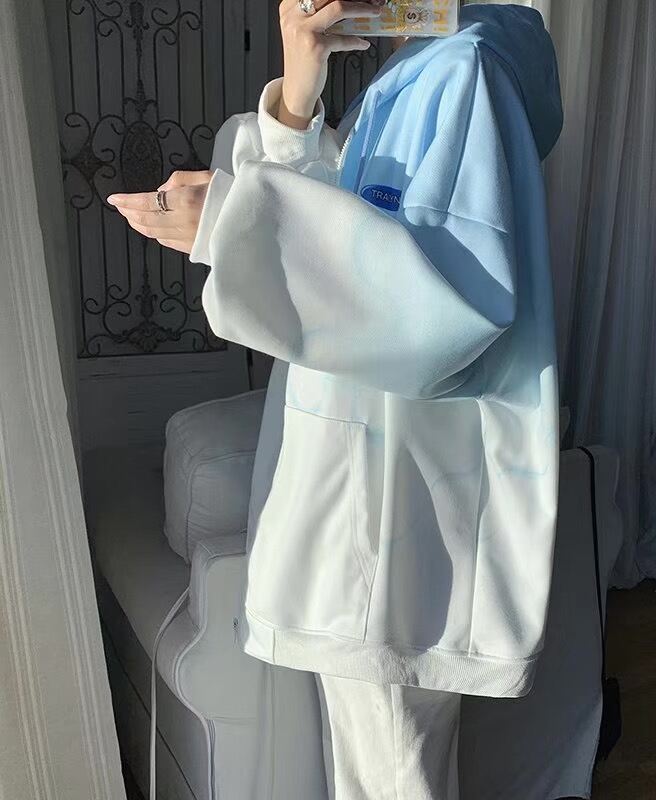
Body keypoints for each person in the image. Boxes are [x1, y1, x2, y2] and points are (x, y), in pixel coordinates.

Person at [109, 1, 563, 796]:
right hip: (369, 501)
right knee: (383, 764)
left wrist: (233, 221)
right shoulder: (417, 69)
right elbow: (358, 230)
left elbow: (446, 309)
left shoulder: (463, 73)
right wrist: (297, 94)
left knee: (392, 772)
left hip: (393, 518)